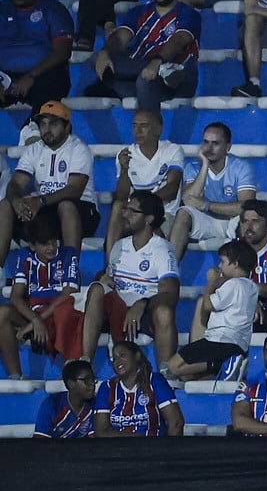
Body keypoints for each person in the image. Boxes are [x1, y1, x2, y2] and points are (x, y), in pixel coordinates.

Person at [80, 192, 179, 366]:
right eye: (126, 210)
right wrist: (102, 278)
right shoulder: (120, 246)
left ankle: (166, 371)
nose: (125, 215)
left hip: (144, 313)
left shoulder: (162, 249)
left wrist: (142, 304)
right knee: (96, 289)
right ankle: (86, 361)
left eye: (132, 211)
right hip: (116, 308)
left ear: (148, 218)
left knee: (164, 312)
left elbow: (171, 293)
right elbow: (107, 277)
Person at [87, 0, 201, 109]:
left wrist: (157, 62)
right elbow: (120, 37)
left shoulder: (189, 14)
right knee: (97, 59)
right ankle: (160, 73)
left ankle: (163, 71)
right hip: (143, 70)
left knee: (145, 80)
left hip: (180, 79)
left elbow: (178, 41)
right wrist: (106, 51)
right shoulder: (140, 11)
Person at [2, 101, 98, 259]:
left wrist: (39, 201)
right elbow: (15, 184)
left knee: (66, 205)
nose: (47, 129)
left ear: (67, 126)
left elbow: (74, 190)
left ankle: (70, 272)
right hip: (44, 208)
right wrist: (17, 202)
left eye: (53, 124)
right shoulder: (34, 149)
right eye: (43, 124)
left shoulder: (78, 148)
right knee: (6, 204)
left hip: (81, 209)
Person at [163, 239, 259, 382]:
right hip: (238, 345)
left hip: (218, 341)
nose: (219, 266)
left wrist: (209, 282)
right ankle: (224, 366)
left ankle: (220, 364)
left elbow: (208, 305)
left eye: (222, 261)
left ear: (235, 263)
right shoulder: (252, 287)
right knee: (187, 376)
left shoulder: (233, 284)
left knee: (172, 366)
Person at [0, 213, 83, 379]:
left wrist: (36, 322)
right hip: (34, 316)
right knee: (2, 312)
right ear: (32, 245)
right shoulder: (25, 255)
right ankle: (16, 376)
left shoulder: (68, 254)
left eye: (53, 241)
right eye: (44, 243)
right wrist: (35, 320)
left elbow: (68, 293)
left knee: (65, 312)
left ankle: (70, 374)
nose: (51, 247)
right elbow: (16, 296)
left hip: (58, 315)